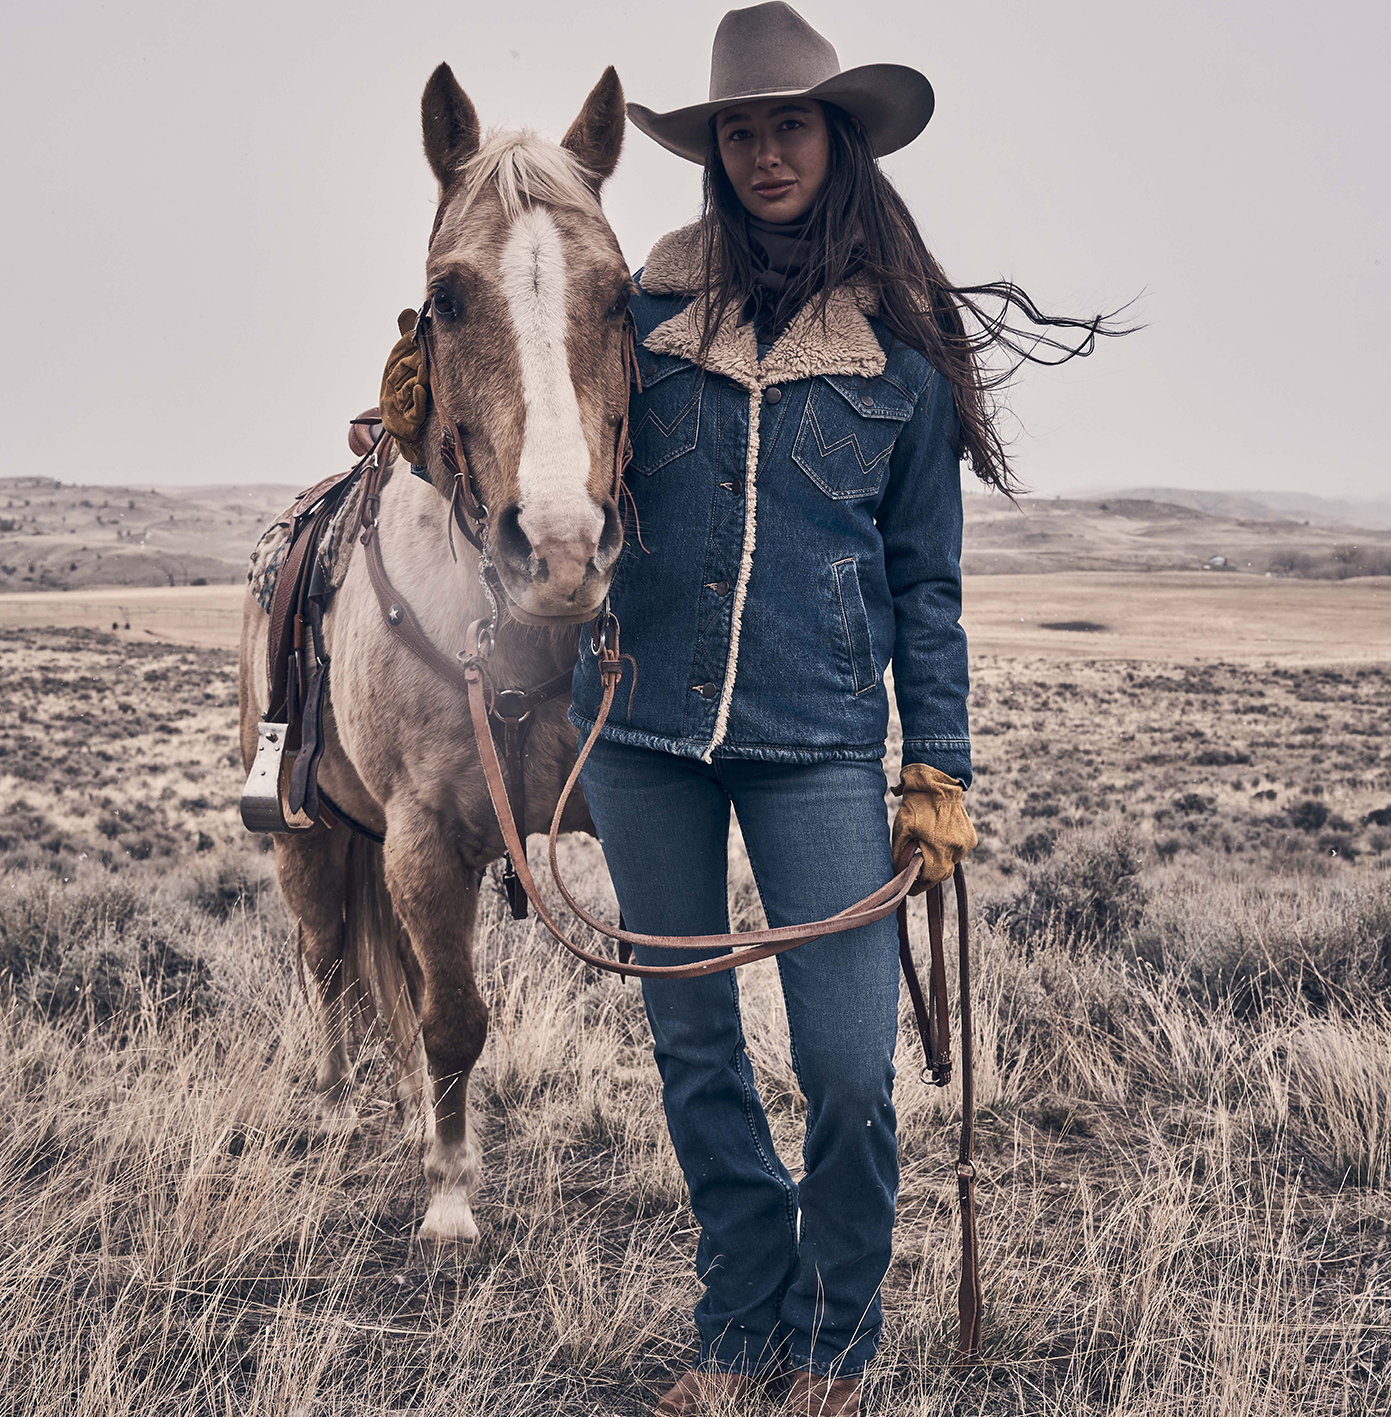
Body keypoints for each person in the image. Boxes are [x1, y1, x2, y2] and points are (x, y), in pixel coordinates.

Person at [386, 5, 1122, 1412]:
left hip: (820, 748)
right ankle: (740, 1328)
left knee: (848, 1074)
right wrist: (425, 407)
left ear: (837, 140)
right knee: (698, 1058)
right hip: (651, 740)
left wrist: (938, 766)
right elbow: (534, 405)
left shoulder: (901, 357)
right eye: (742, 130)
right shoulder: (643, 311)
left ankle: (838, 1338)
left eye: (792, 124)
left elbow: (927, 585)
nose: (768, 150)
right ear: (715, 153)